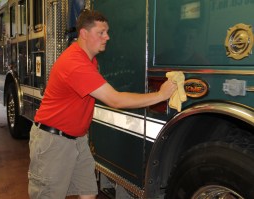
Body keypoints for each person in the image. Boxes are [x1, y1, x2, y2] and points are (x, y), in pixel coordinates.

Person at [28, 9, 177, 199]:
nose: (107, 37)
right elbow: (114, 99)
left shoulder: (91, 60)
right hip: (53, 142)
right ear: (83, 33)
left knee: (88, 192)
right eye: (101, 32)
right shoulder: (75, 63)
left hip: (77, 140)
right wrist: (161, 95)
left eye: (107, 32)